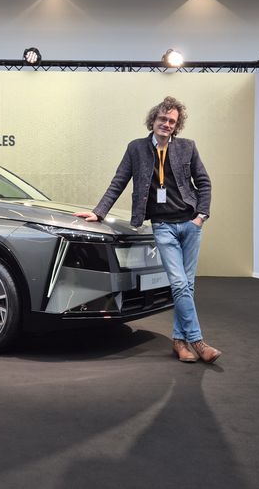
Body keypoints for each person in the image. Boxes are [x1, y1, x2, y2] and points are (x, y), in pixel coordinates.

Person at [74, 96, 222, 364]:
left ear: (177, 126)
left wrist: (201, 216)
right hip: (163, 226)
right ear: (153, 120)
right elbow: (119, 181)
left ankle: (179, 342)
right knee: (179, 283)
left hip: (190, 224)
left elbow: (204, 182)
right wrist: (99, 212)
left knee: (187, 286)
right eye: (163, 119)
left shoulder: (187, 147)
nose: (167, 124)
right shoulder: (136, 148)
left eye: (172, 121)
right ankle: (198, 342)